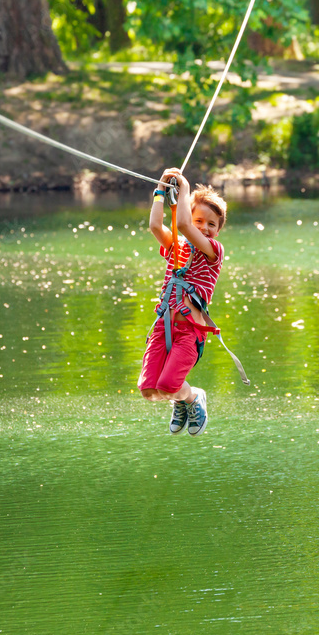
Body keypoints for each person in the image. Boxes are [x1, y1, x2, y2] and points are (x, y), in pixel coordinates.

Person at [138, 167, 227, 436]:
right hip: (163, 327)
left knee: (168, 385)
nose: (205, 228)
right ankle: (180, 399)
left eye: (212, 224)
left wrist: (184, 187)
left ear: (218, 231)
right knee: (149, 391)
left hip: (190, 332)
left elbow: (185, 225)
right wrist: (160, 192)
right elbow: (155, 226)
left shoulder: (213, 252)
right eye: (200, 220)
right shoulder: (177, 247)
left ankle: (192, 397)